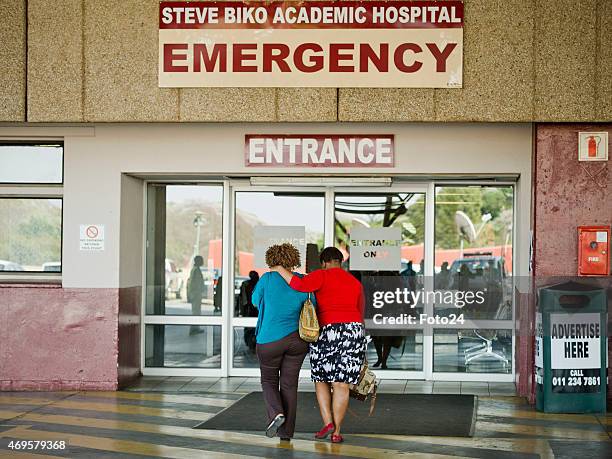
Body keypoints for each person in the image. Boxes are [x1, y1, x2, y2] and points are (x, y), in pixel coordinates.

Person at [272, 246, 365, 444]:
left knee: (321, 378)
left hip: (328, 331)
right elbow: (361, 311)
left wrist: (279, 268)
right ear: (341, 262)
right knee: (341, 383)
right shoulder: (355, 283)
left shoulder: (321, 276)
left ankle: (327, 422)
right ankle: (337, 431)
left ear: (324, 262)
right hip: (353, 331)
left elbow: (298, 284)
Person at [251, 243, 311, 442]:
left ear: (272, 260)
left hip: (270, 340)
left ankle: (276, 413)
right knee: (289, 385)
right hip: (299, 341)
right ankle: (286, 434)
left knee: (268, 381)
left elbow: (254, 301)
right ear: (293, 259)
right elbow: (313, 305)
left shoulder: (267, 279)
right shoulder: (303, 280)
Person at [240, 271, 260, 351]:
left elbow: (243, 299)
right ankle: (252, 343)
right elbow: (244, 299)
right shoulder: (256, 284)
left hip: (250, 309)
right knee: (252, 328)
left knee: (250, 328)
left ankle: (251, 343)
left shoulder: (246, 284)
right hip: (252, 309)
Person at [187, 255, 204, 335]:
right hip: (195, 294)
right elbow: (191, 283)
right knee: (195, 312)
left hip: (196, 294)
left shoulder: (197, 269)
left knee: (197, 312)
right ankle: (193, 329)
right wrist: (191, 294)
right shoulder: (195, 270)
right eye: (201, 260)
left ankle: (196, 328)